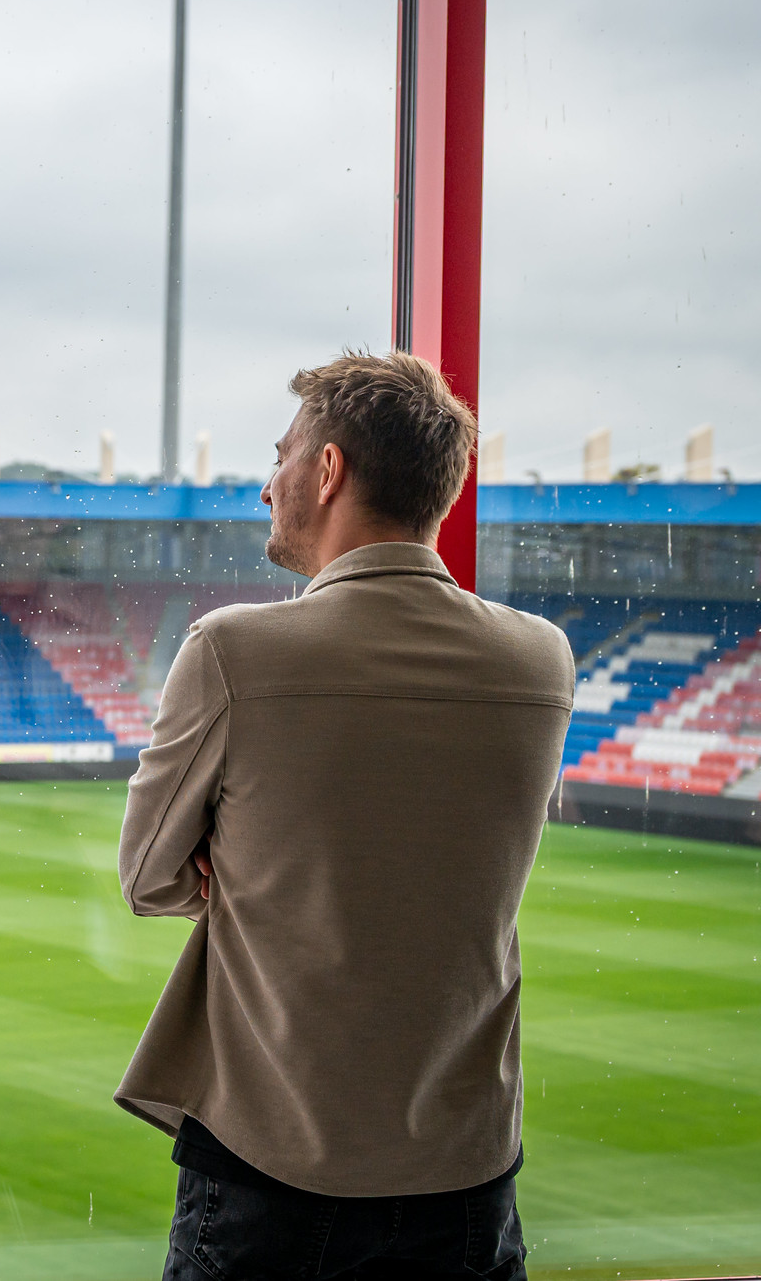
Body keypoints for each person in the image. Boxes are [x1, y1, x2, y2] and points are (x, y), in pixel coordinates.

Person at [117, 350, 574, 1281]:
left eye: (280, 455)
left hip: (267, 1174)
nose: (264, 485)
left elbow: (149, 876)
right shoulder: (543, 661)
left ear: (327, 471)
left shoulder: (234, 652)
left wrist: (244, 864)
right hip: (468, 1178)